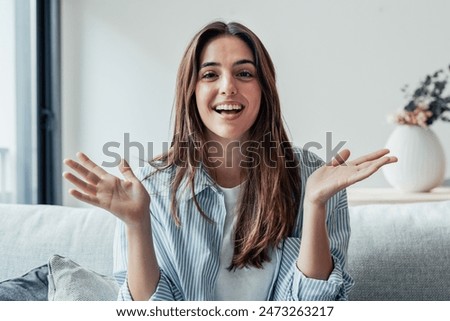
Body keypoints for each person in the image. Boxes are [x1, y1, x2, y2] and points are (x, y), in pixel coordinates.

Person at [63, 21, 397, 301]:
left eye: (245, 74)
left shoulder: (317, 178)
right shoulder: (150, 185)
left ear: (264, 89)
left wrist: (314, 205)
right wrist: (137, 223)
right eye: (210, 74)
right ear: (190, 90)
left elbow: (316, 308)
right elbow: (149, 313)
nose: (228, 87)